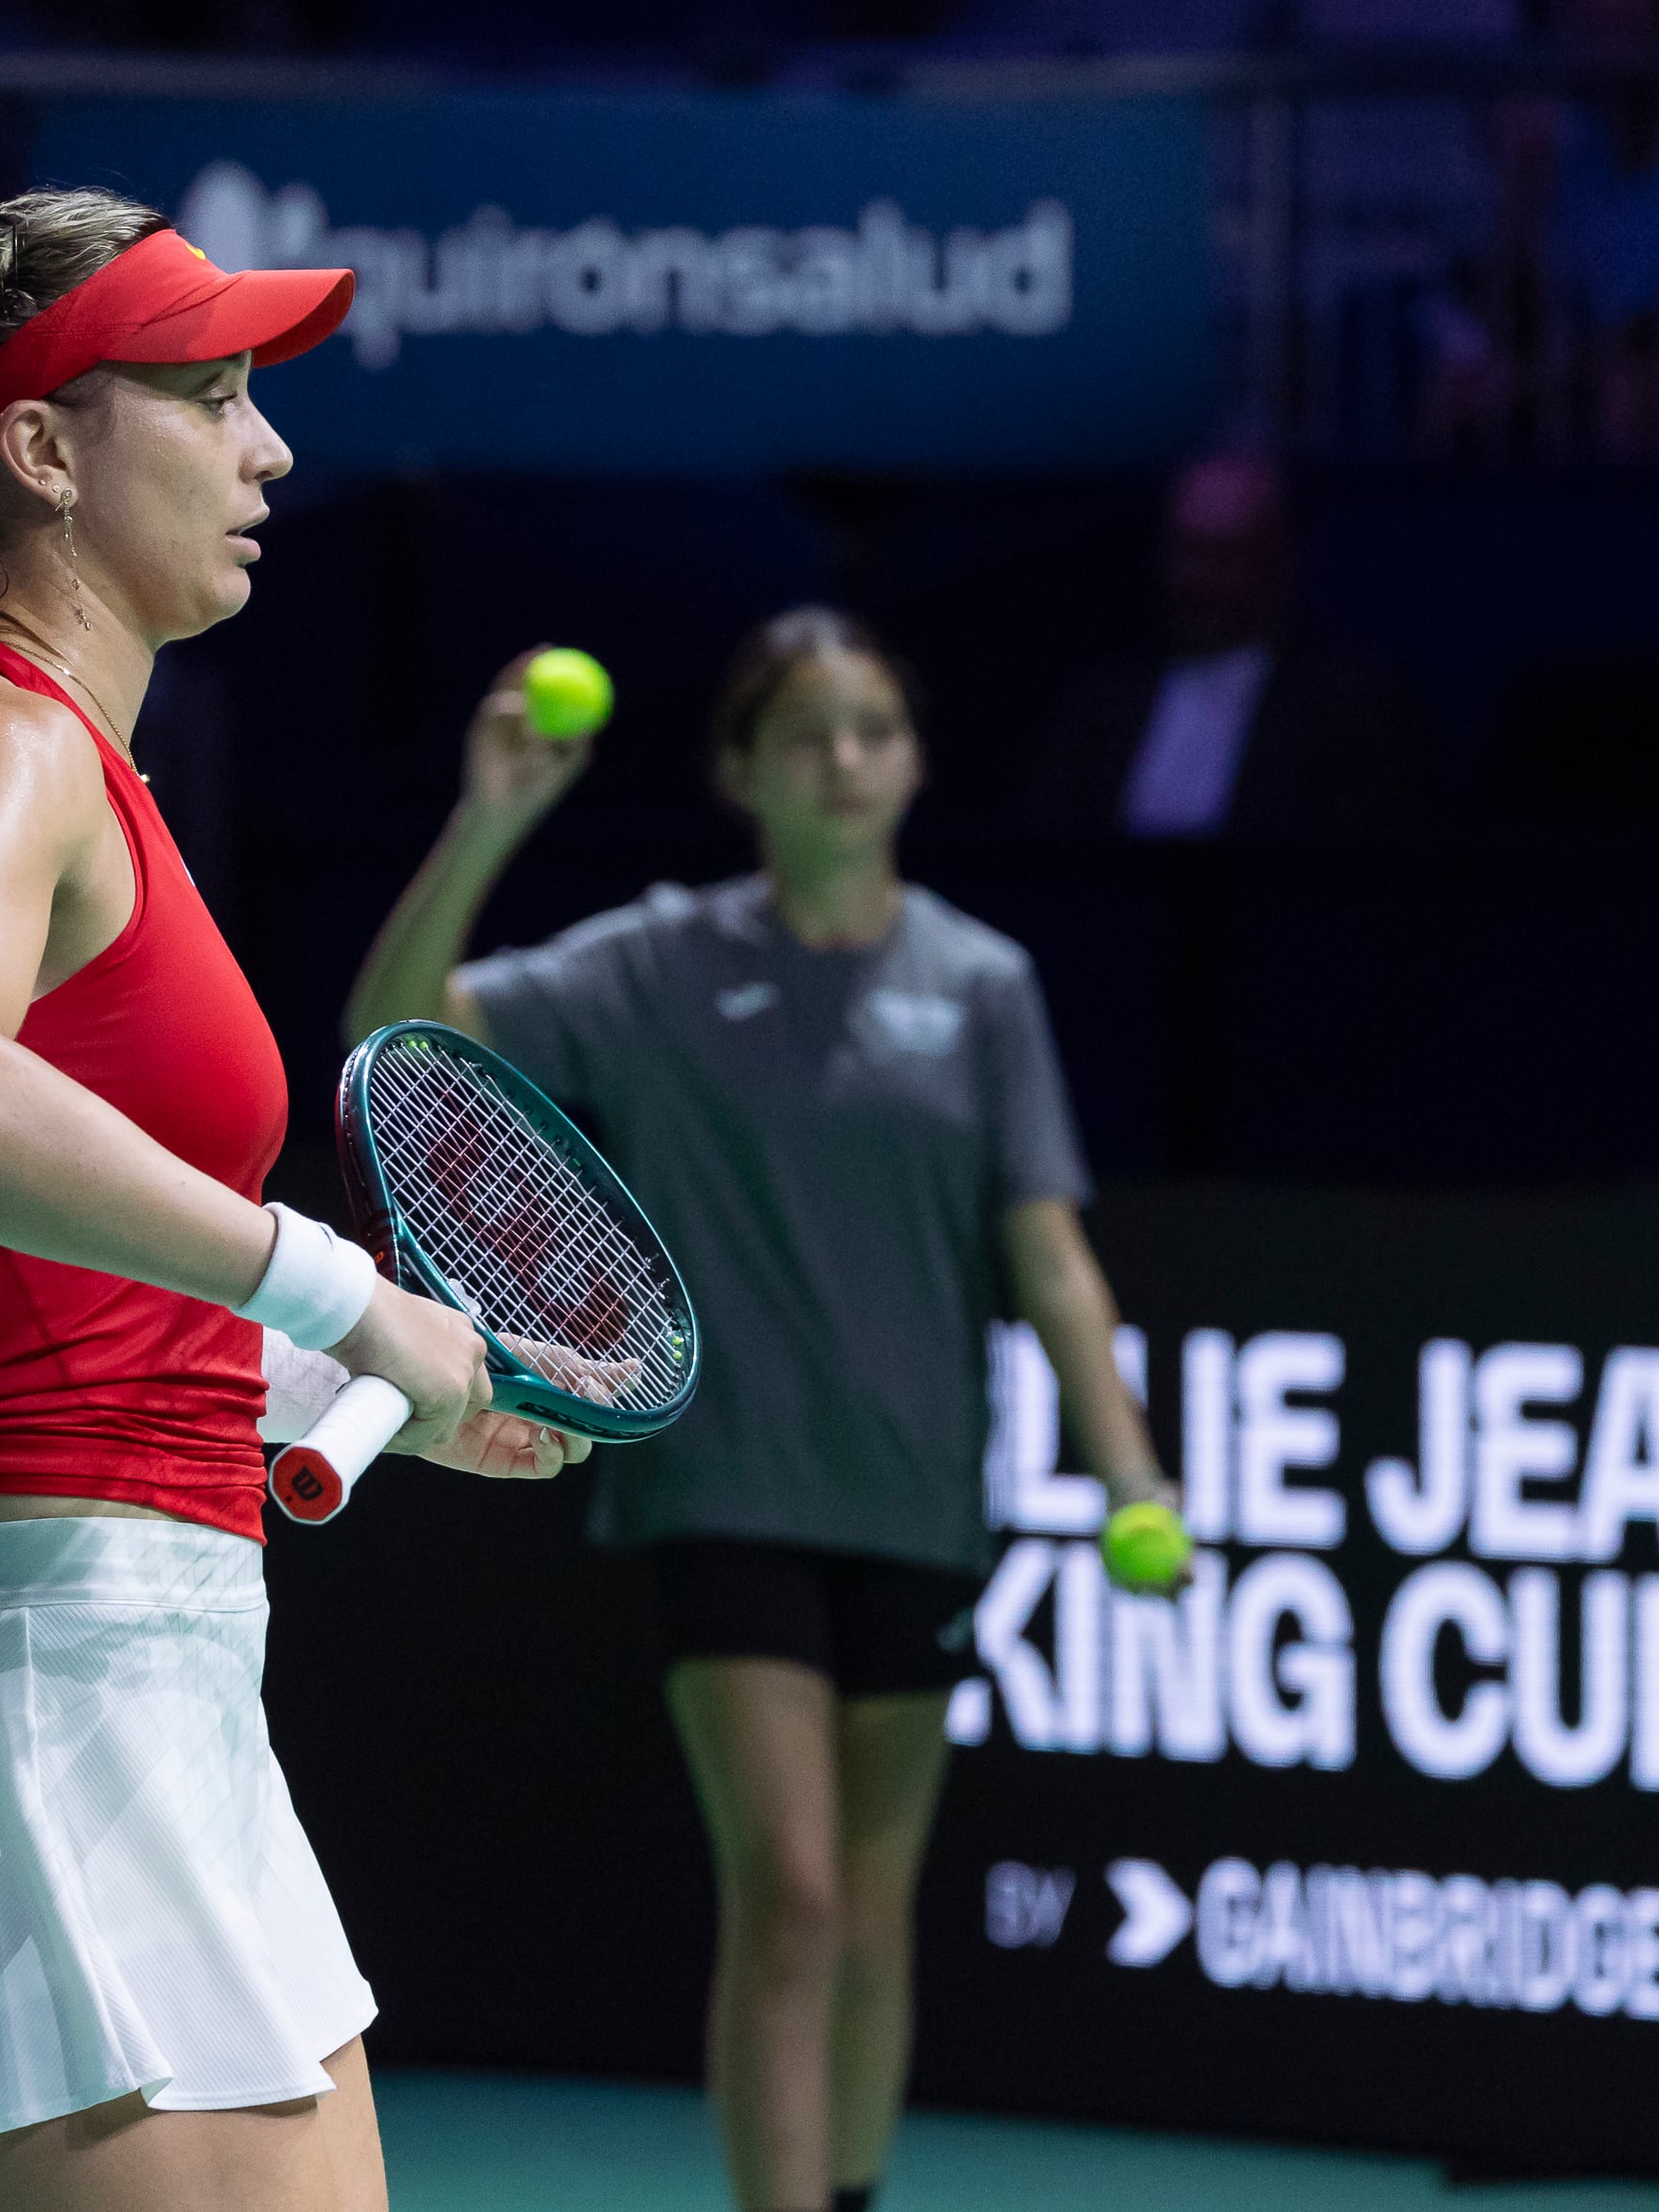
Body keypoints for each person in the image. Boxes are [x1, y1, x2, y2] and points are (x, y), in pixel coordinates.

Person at [0, 188, 582, 2212]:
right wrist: (337, 1294)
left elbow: (45, 1287)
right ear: (40, 449)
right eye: (212, 395)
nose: (272, 448)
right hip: (42, 1686)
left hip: (153, 1659)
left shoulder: (79, 766)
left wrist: (366, 1391)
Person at [346, 608, 1174, 2212]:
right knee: (790, 1893)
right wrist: (492, 820)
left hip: (918, 1494)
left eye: (873, 729)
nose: (845, 760)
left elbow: (1049, 1259)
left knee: (870, 1904)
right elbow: (396, 1031)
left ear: (916, 757)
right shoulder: (655, 959)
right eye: (807, 734)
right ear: (742, 769)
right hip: (721, 1489)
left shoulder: (983, 986)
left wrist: (1129, 1467)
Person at [1016, 454, 1422, 840]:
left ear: (1280, 564)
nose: (1193, 579)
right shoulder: (1101, 705)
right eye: (1184, 550)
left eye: (1221, 557)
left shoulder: (1351, 712)